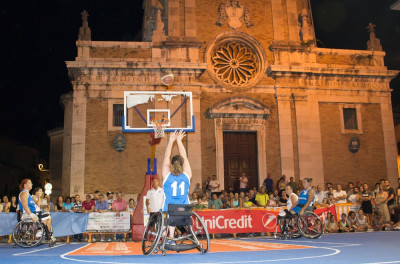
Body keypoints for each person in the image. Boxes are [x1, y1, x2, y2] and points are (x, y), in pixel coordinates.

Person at [162, 130, 192, 244]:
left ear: (171, 164)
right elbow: (184, 156)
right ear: (182, 164)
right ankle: (174, 236)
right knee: (174, 212)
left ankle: (169, 236)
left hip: (170, 209)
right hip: (184, 211)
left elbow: (166, 156)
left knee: (169, 212)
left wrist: (171, 141)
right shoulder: (187, 175)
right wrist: (179, 141)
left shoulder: (167, 175)